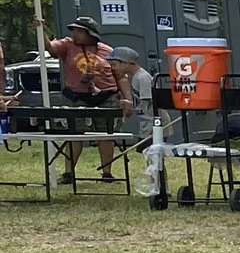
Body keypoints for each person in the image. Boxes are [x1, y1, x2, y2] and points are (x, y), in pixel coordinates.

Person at [47, 16, 124, 183]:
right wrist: (41, 32)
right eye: (74, 30)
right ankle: (69, 173)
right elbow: (51, 48)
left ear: (91, 34)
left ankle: (107, 173)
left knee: (106, 134)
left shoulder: (107, 51)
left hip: (106, 95)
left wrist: (127, 99)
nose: (75, 34)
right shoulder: (67, 45)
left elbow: (119, 76)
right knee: (75, 134)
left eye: (79, 31)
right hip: (77, 95)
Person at [112, 47, 165, 202]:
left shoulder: (142, 78)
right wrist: (129, 104)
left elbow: (150, 104)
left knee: (155, 158)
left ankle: (161, 189)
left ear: (126, 63)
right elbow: (140, 103)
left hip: (154, 124)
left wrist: (154, 129)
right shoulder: (134, 77)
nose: (114, 68)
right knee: (150, 158)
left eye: (116, 64)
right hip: (146, 123)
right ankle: (157, 187)